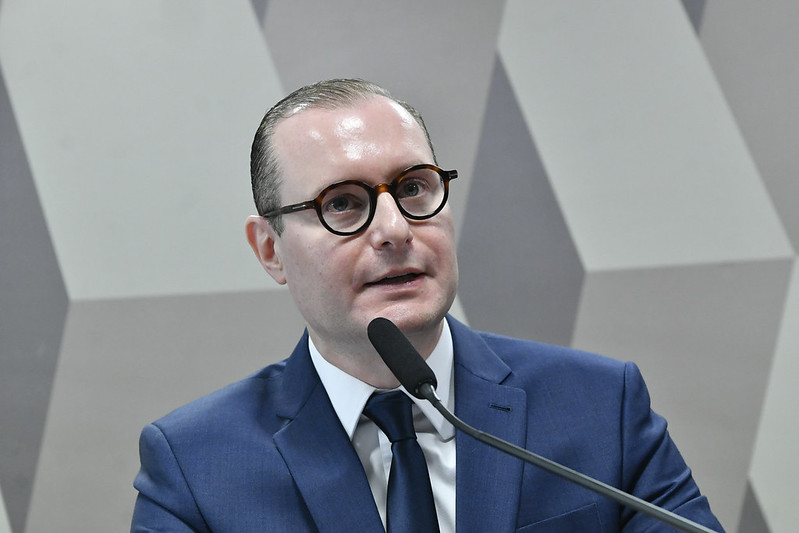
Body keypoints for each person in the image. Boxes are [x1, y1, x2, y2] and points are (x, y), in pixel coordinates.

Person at [131, 78, 724, 532]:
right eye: (342, 203)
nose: (394, 229)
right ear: (270, 250)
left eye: (413, 188)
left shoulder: (600, 407)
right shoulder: (196, 466)